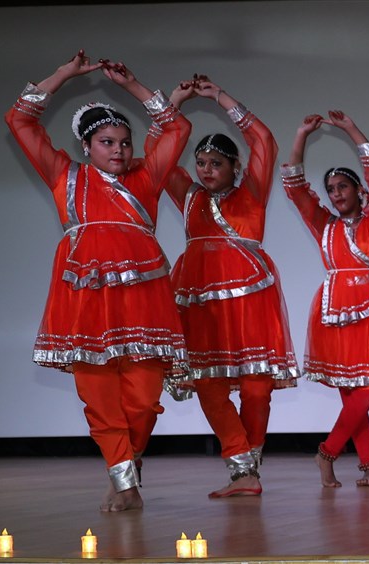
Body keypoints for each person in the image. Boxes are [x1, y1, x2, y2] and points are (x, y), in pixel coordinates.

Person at [6, 52, 190, 511]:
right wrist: (63, 74)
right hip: (85, 301)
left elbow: (177, 130)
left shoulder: (147, 176)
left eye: (125, 142)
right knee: (99, 395)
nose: (119, 151)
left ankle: (126, 466)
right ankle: (124, 482)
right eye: (107, 142)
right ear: (86, 146)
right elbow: (21, 121)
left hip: (143, 301)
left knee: (144, 400)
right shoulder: (65, 176)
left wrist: (132, 86)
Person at [152, 76, 298, 498]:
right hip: (200, 301)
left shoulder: (251, 192)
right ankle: (241, 466)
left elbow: (264, 141)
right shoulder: (189, 197)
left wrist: (220, 98)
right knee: (208, 384)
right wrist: (173, 102)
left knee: (257, 389)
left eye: (216, 163)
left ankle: (250, 468)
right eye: (201, 163)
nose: (206, 170)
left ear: (235, 166)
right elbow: (159, 156)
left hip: (250, 302)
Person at [284, 111, 369, 487]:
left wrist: (350, 129)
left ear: (358, 190)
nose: (337, 194)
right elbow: (295, 188)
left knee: (368, 386)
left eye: (343, 186)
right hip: (334, 310)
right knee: (352, 392)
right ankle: (368, 467)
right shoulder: (324, 225)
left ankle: (326, 451)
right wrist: (301, 135)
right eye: (331, 189)